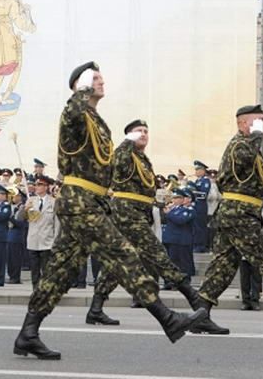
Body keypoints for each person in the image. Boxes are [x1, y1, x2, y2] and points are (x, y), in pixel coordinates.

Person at [13, 61, 206, 360]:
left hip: (92, 202)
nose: (101, 82)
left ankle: (28, 333)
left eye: (100, 78)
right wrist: (82, 87)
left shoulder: (95, 120)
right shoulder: (74, 114)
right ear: (81, 84)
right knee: (123, 254)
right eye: (95, 78)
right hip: (80, 203)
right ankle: (168, 319)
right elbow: (73, 111)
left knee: (58, 273)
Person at [87, 120, 204, 324]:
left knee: (117, 263)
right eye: (137, 131)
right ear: (128, 136)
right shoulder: (124, 154)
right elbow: (117, 162)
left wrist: (160, 205)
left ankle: (96, 308)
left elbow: (144, 191)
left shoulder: (142, 159)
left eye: (145, 131)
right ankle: (196, 302)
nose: (143, 134)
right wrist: (127, 140)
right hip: (127, 214)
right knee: (158, 254)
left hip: (138, 212)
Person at [195, 104, 263, 334]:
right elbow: (243, 158)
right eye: (257, 121)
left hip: (239, 213)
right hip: (238, 214)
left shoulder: (250, 145)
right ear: (242, 123)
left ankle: (201, 312)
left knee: (224, 265)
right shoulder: (239, 145)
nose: (262, 126)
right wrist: (258, 136)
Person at [21, 175, 58, 289]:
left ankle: (45, 290)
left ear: (46, 187)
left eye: (39, 185)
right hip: (33, 240)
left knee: (46, 269)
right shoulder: (31, 200)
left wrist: (56, 241)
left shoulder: (53, 202)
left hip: (47, 240)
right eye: (36, 184)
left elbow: (57, 223)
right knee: (34, 269)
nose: (36, 187)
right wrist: (25, 209)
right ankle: (35, 289)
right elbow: (22, 218)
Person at [162, 188, 196, 287]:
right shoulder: (173, 209)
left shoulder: (189, 210)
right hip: (170, 239)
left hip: (182, 241)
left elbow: (181, 220)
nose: (175, 200)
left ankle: (184, 283)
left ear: (182, 199)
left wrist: (169, 213)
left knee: (183, 263)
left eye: (178, 198)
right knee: (171, 262)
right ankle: (170, 282)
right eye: (174, 197)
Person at [7, 186, 28, 284]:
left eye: (16, 196)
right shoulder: (10, 206)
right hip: (8, 235)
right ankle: (11, 275)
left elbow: (20, 223)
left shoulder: (22, 208)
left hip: (17, 236)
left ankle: (16, 277)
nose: (13, 197)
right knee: (9, 258)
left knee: (16, 258)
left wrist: (10, 218)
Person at [191, 160, 211, 253]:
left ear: (203, 171)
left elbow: (203, 194)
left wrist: (192, 191)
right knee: (195, 226)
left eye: (198, 170)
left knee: (200, 226)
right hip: (196, 206)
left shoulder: (205, 181)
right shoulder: (197, 181)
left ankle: (201, 245)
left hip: (201, 206)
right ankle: (196, 244)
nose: (196, 172)